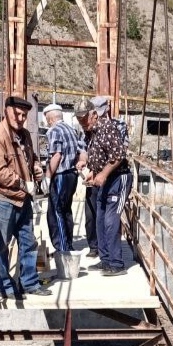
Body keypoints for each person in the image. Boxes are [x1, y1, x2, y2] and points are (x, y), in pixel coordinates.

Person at [0, 95, 51, 300]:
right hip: (4, 199)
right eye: (18, 114)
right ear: (7, 111)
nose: (21, 119)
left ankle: (29, 283)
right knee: (2, 245)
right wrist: (24, 183)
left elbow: (33, 158)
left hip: (23, 198)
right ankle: (6, 287)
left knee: (28, 241)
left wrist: (37, 167)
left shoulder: (25, 135)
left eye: (24, 115)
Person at [80, 95, 130, 277]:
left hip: (118, 178)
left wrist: (103, 173)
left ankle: (117, 263)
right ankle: (106, 259)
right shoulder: (93, 132)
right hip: (106, 179)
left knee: (110, 219)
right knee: (100, 219)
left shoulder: (107, 128)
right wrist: (94, 172)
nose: (83, 125)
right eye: (80, 122)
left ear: (94, 115)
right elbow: (98, 156)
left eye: (85, 120)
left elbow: (118, 155)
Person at [43, 103, 79, 256]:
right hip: (72, 174)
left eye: (46, 120)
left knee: (56, 212)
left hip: (61, 175)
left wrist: (47, 176)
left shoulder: (54, 131)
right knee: (66, 210)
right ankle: (68, 244)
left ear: (50, 119)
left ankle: (63, 249)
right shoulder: (71, 129)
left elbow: (56, 155)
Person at [74, 100, 99, 258]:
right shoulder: (85, 133)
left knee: (104, 216)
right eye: (79, 119)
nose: (82, 122)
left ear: (93, 114)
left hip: (105, 178)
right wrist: (83, 161)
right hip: (92, 177)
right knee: (90, 214)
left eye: (84, 119)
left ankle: (105, 248)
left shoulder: (104, 129)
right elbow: (83, 150)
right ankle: (94, 246)